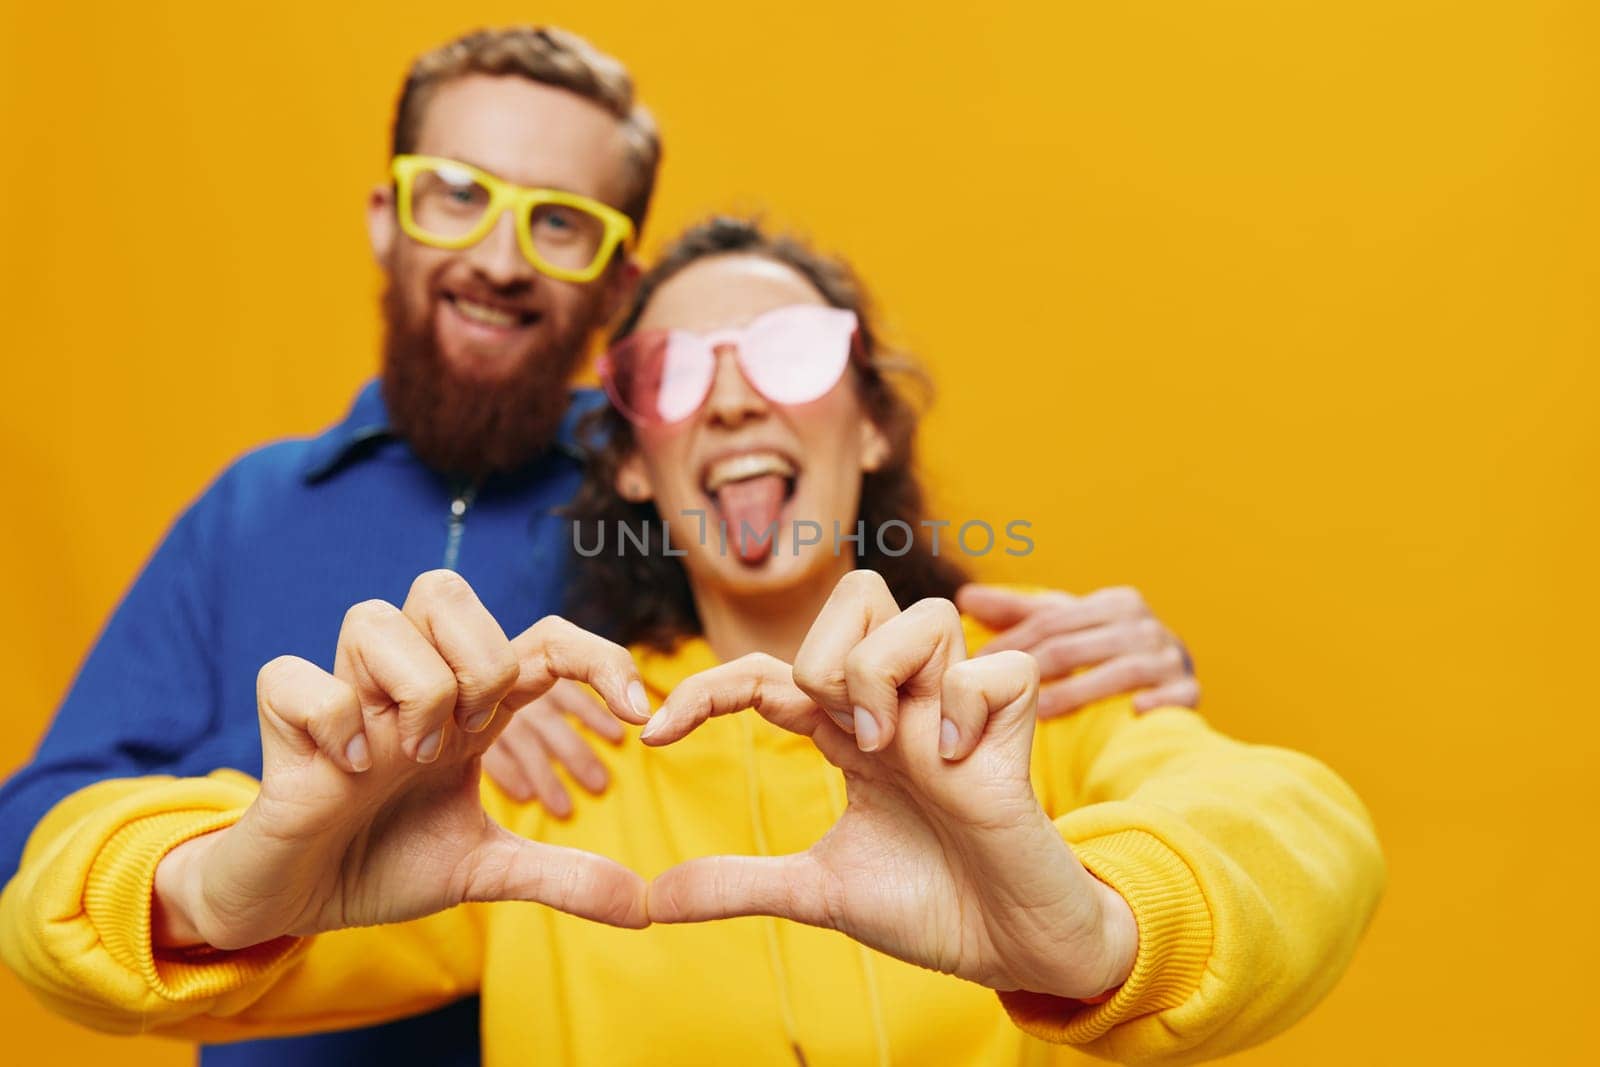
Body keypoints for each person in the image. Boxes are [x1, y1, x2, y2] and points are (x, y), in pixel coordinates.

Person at [0, 25, 1201, 1067]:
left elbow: (1245, 827)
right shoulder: (261, 519)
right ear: (389, 217)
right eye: (457, 193)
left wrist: (1123, 751)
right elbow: (56, 871)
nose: (502, 256)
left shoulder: (725, 496)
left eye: (559, 223)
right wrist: (316, 801)